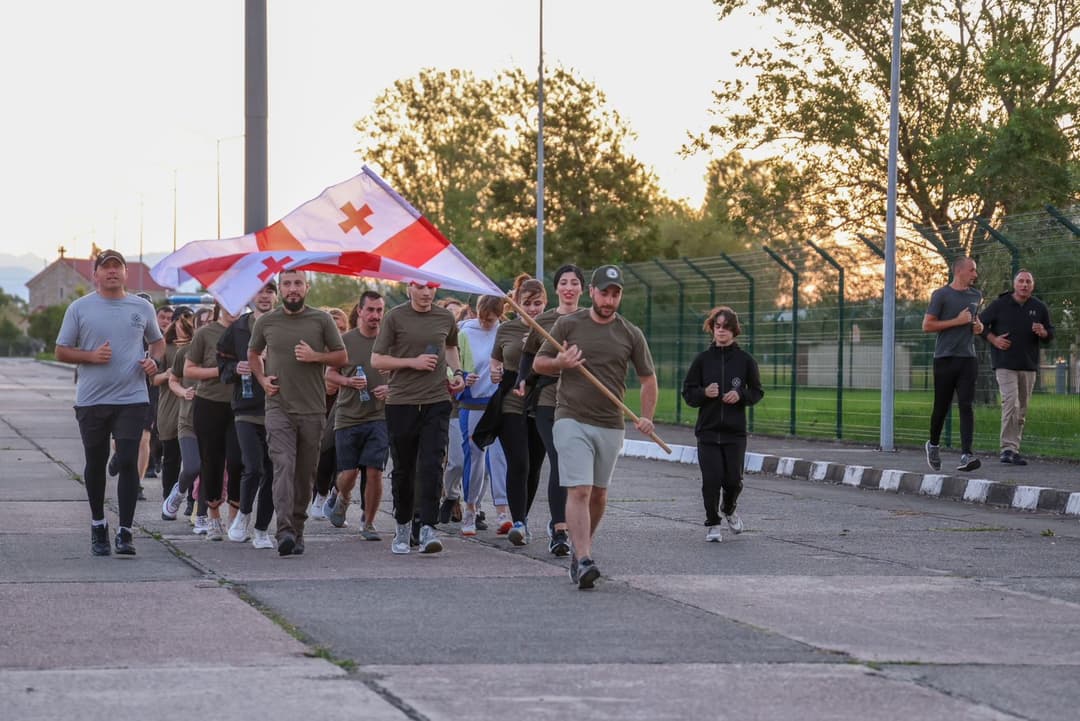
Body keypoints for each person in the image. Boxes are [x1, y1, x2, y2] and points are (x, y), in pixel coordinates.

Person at [534, 264, 657, 589]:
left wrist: (647, 416)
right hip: (570, 417)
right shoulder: (568, 323)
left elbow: (648, 380)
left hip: (610, 422)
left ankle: (579, 549)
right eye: (604, 292)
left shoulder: (630, 333)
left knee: (599, 495)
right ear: (592, 292)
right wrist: (561, 363)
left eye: (615, 293)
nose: (609, 298)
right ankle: (586, 557)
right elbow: (539, 363)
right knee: (580, 489)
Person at [55, 250, 165, 556]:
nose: (112, 272)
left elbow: (157, 342)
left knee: (128, 459)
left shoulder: (141, 306)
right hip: (92, 400)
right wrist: (90, 357)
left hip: (132, 397)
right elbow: (61, 350)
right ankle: (98, 524)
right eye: (106, 267)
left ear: (126, 273)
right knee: (95, 462)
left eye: (118, 267)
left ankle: (126, 531)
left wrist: (153, 361)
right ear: (96, 274)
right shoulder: (80, 308)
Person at [249, 270, 347, 557]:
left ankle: (298, 529)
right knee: (283, 466)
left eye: (298, 284)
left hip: (313, 409)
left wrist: (316, 357)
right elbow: (253, 354)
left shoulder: (322, 320)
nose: (293, 289)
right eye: (288, 284)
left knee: (305, 475)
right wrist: (263, 379)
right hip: (278, 406)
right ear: (280, 289)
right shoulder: (267, 321)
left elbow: (341, 356)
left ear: (307, 287)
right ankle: (284, 531)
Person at [371, 281, 466, 555]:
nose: (426, 293)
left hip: (437, 400)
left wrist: (457, 373)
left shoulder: (444, 317)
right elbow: (377, 360)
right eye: (421, 287)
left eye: (431, 287)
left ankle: (428, 528)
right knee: (404, 469)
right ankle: (402, 526)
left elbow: (450, 348)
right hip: (402, 402)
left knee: (432, 464)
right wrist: (411, 362)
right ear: (409, 287)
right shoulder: (395, 317)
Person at [681, 306, 764, 542]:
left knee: (733, 481)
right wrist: (704, 393)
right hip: (707, 432)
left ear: (734, 331)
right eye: (718, 327)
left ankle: (728, 508)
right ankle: (713, 523)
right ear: (712, 329)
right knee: (711, 479)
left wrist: (741, 396)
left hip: (734, 433)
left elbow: (757, 391)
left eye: (726, 327)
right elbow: (688, 392)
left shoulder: (745, 360)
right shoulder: (703, 360)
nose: (721, 331)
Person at [519, 263, 585, 557]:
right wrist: (522, 380)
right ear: (556, 289)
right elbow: (528, 355)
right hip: (547, 399)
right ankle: (560, 530)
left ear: (583, 289)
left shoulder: (592, 320)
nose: (569, 288)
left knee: (577, 467)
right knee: (559, 458)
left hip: (583, 400)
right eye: (564, 283)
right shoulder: (543, 320)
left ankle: (576, 525)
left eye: (575, 283)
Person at [323, 291, 390, 540]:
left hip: (380, 416)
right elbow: (329, 374)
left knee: (374, 470)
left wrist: (391, 388)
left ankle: (368, 523)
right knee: (349, 474)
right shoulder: (345, 341)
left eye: (379, 310)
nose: (375, 315)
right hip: (348, 415)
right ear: (359, 311)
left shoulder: (388, 341)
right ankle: (342, 496)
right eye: (370, 310)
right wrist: (348, 381)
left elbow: (401, 373)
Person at [216, 281, 278, 548]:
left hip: (278, 408)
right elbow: (222, 365)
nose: (264, 296)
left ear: (277, 296)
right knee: (252, 467)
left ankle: (262, 529)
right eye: (260, 291)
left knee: (273, 472)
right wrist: (235, 368)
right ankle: (242, 515)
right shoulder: (238, 328)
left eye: (270, 291)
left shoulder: (284, 325)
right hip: (246, 407)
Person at [490, 275, 548, 545]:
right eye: (528, 303)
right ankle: (519, 522)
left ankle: (523, 516)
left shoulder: (554, 327)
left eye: (538, 303)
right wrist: (494, 371)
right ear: (516, 304)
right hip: (512, 398)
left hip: (542, 399)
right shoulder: (506, 330)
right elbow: (495, 360)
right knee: (519, 462)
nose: (533, 308)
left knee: (535, 464)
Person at [979, 269, 1054, 465]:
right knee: (1011, 403)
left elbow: (1050, 334)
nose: (1024, 285)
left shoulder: (1039, 307)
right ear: (1014, 284)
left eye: (1028, 282)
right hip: (1005, 364)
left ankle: (1014, 449)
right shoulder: (1000, 304)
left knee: (1022, 410)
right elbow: (978, 324)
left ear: (1032, 285)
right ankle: (1006, 449)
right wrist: (994, 339)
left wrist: (1043, 332)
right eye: (1021, 281)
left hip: (1028, 365)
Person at [184, 304, 243, 541]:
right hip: (209, 403)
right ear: (219, 305)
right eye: (228, 304)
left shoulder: (249, 331)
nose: (233, 309)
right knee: (212, 460)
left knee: (239, 461)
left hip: (241, 405)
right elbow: (190, 370)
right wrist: (221, 371)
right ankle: (213, 516)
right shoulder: (204, 334)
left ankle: (236, 517)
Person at [923, 256, 984, 473]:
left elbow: (977, 325)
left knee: (966, 405)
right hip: (944, 358)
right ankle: (933, 445)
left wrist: (978, 327)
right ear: (959, 271)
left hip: (968, 358)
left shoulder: (976, 295)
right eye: (972, 270)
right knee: (941, 406)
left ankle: (967, 454)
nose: (975, 275)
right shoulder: (941, 295)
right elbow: (927, 325)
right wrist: (957, 321)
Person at [456, 294, 510, 536]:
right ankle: (470, 508)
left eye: (492, 319)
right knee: (475, 459)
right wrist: (463, 377)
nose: (486, 323)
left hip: (497, 403)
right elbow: (452, 365)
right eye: (483, 318)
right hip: (473, 403)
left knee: (499, 458)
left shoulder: (506, 332)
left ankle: (502, 510)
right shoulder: (463, 332)